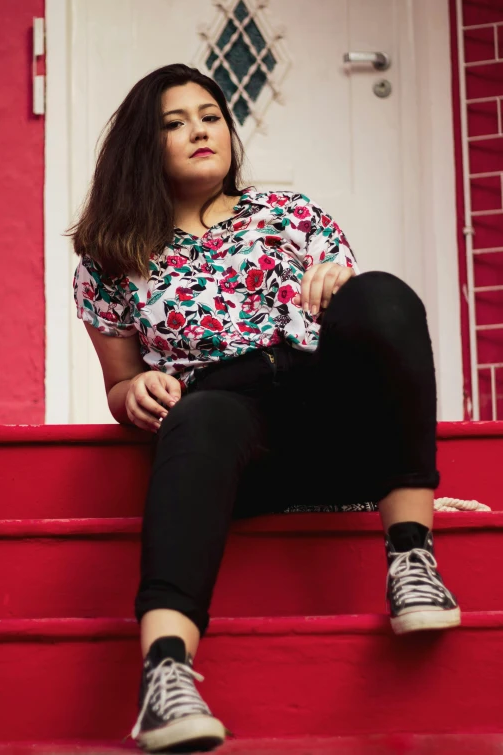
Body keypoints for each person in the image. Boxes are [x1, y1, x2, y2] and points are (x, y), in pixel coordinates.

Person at [70, 63, 460, 753]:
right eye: (175, 122)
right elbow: (120, 384)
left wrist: (343, 288)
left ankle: (411, 559)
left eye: (210, 115)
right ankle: (165, 673)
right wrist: (133, 394)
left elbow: (365, 325)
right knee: (199, 415)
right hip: (227, 430)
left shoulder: (294, 214)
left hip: (324, 408)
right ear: (144, 145)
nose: (199, 130)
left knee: (383, 293)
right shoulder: (110, 258)